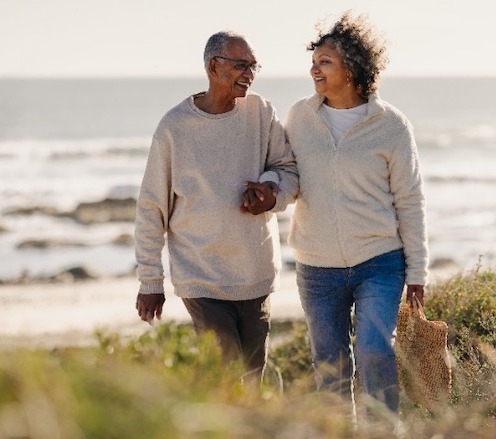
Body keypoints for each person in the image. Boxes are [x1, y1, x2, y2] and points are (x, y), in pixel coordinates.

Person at [283, 11, 429, 416]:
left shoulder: (391, 125)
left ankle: (383, 429)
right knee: (329, 366)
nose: (314, 69)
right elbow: (284, 173)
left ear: (352, 69)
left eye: (324, 62)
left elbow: (410, 200)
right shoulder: (299, 117)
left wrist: (417, 271)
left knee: (374, 349)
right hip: (316, 267)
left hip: (379, 262)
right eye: (313, 62)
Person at [134, 30, 297, 379]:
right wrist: (151, 281)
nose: (249, 75)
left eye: (254, 67)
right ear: (213, 66)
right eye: (241, 66)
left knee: (253, 375)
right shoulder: (174, 128)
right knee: (227, 370)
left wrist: (270, 193)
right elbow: (152, 208)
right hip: (201, 277)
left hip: (255, 275)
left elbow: (288, 171)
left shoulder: (261, 112)